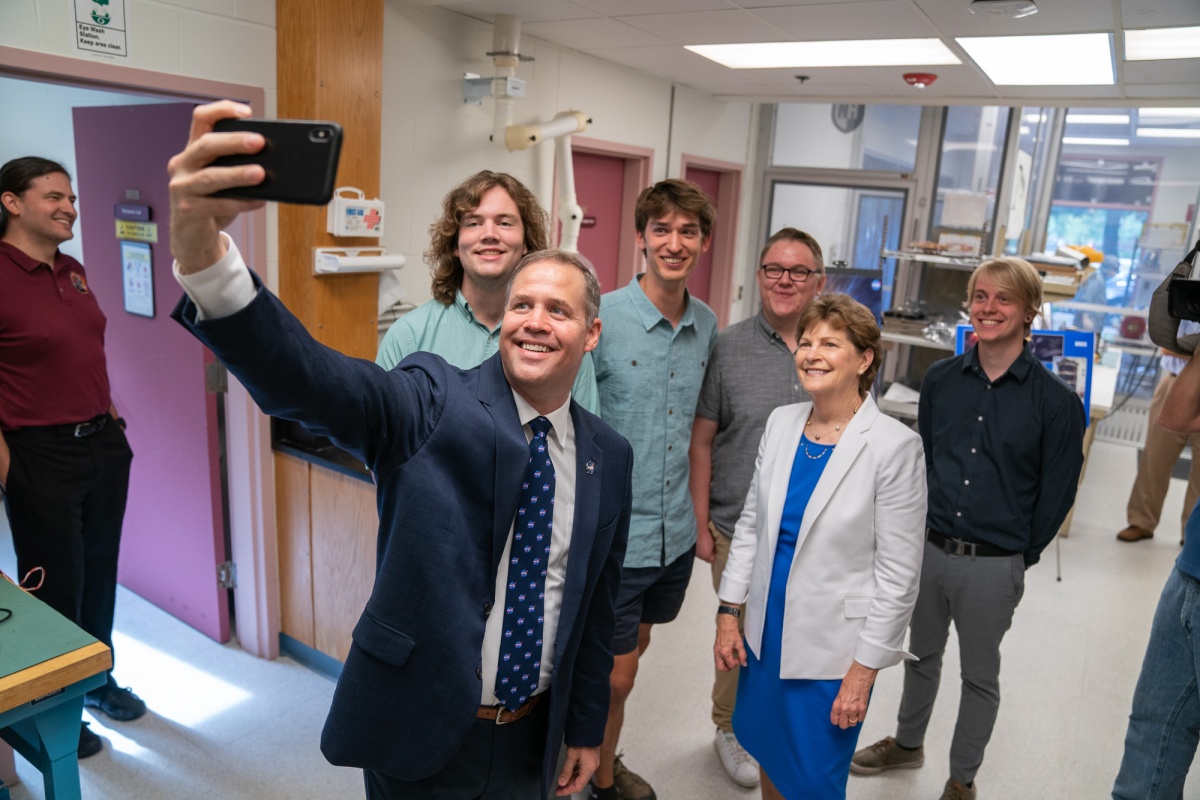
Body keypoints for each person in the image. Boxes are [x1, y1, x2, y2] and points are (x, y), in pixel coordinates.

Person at [166, 100, 633, 800]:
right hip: (422, 731)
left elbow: (593, 610)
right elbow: (312, 381)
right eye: (521, 306)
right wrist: (206, 256)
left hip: (536, 732)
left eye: (558, 310)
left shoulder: (607, 455)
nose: (534, 322)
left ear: (591, 335)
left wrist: (588, 729)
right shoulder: (430, 400)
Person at [851, 257, 1086, 800]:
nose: (989, 308)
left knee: (979, 677)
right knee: (919, 657)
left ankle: (962, 780)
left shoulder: (1055, 403)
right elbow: (928, 459)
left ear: (1030, 312)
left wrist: (1017, 557)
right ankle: (908, 746)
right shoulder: (940, 381)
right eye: (980, 296)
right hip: (928, 550)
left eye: (1003, 299)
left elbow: (1057, 494)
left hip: (995, 563)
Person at [713, 293, 927, 800]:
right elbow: (750, 525)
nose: (812, 353)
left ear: (865, 358)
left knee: (813, 781)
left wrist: (863, 671)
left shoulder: (894, 447)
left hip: (832, 656)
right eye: (805, 342)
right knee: (768, 751)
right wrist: (728, 612)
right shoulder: (783, 423)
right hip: (766, 638)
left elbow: (899, 577)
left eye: (830, 343)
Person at [0, 156, 146, 759]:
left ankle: (97, 681)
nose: (69, 208)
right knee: (55, 586)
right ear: (11, 202)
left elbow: (81, 348)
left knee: (99, 573)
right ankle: (56, 710)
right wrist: (10, 468)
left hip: (102, 446)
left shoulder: (73, 269)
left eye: (72, 198)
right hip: (38, 454)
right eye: (54, 197)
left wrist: (107, 407)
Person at [589, 178, 719, 800]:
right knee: (613, 677)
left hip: (668, 535)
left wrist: (696, 522)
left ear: (703, 242)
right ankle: (598, 776)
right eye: (661, 230)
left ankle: (599, 755)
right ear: (640, 237)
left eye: (687, 231)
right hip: (615, 534)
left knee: (633, 653)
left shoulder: (707, 324)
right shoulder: (603, 318)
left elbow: (699, 432)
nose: (674, 242)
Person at [689, 227, 826, 788]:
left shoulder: (837, 344)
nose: (784, 281)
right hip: (737, 527)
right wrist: (700, 523)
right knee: (738, 634)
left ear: (819, 281)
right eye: (774, 269)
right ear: (759, 275)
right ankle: (729, 727)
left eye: (798, 271)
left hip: (815, 530)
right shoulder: (728, 345)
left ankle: (780, 729)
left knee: (796, 634)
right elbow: (702, 439)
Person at [376, 169, 597, 411]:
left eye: (504, 223)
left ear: (525, 242)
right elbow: (386, 435)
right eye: (473, 223)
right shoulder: (408, 338)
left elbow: (584, 436)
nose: (489, 234)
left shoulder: (560, 340)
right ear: (455, 245)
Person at [1113, 337, 1200, 798]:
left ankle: (1188, 528)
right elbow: (1175, 417)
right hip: (1189, 578)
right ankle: (1141, 520)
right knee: (1151, 733)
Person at [1116, 321, 1200, 545]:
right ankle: (1141, 521)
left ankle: (1192, 536)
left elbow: (1179, 347)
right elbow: (1167, 346)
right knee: (1155, 459)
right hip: (1176, 384)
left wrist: (1190, 352)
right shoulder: (1185, 294)